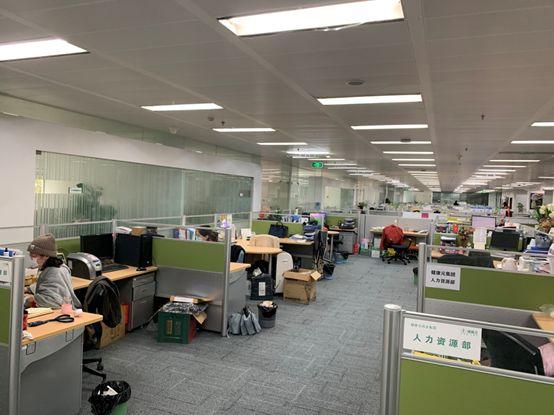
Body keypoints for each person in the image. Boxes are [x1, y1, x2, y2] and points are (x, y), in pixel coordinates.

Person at [25, 233, 82, 309]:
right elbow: (47, 284)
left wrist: (29, 299)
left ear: (46, 256)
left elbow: (53, 301)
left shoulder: (54, 272)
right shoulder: (56, 267)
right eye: (30, 256)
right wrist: (28, 289)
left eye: (34, 256)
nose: (32, 259)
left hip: (61, 311)